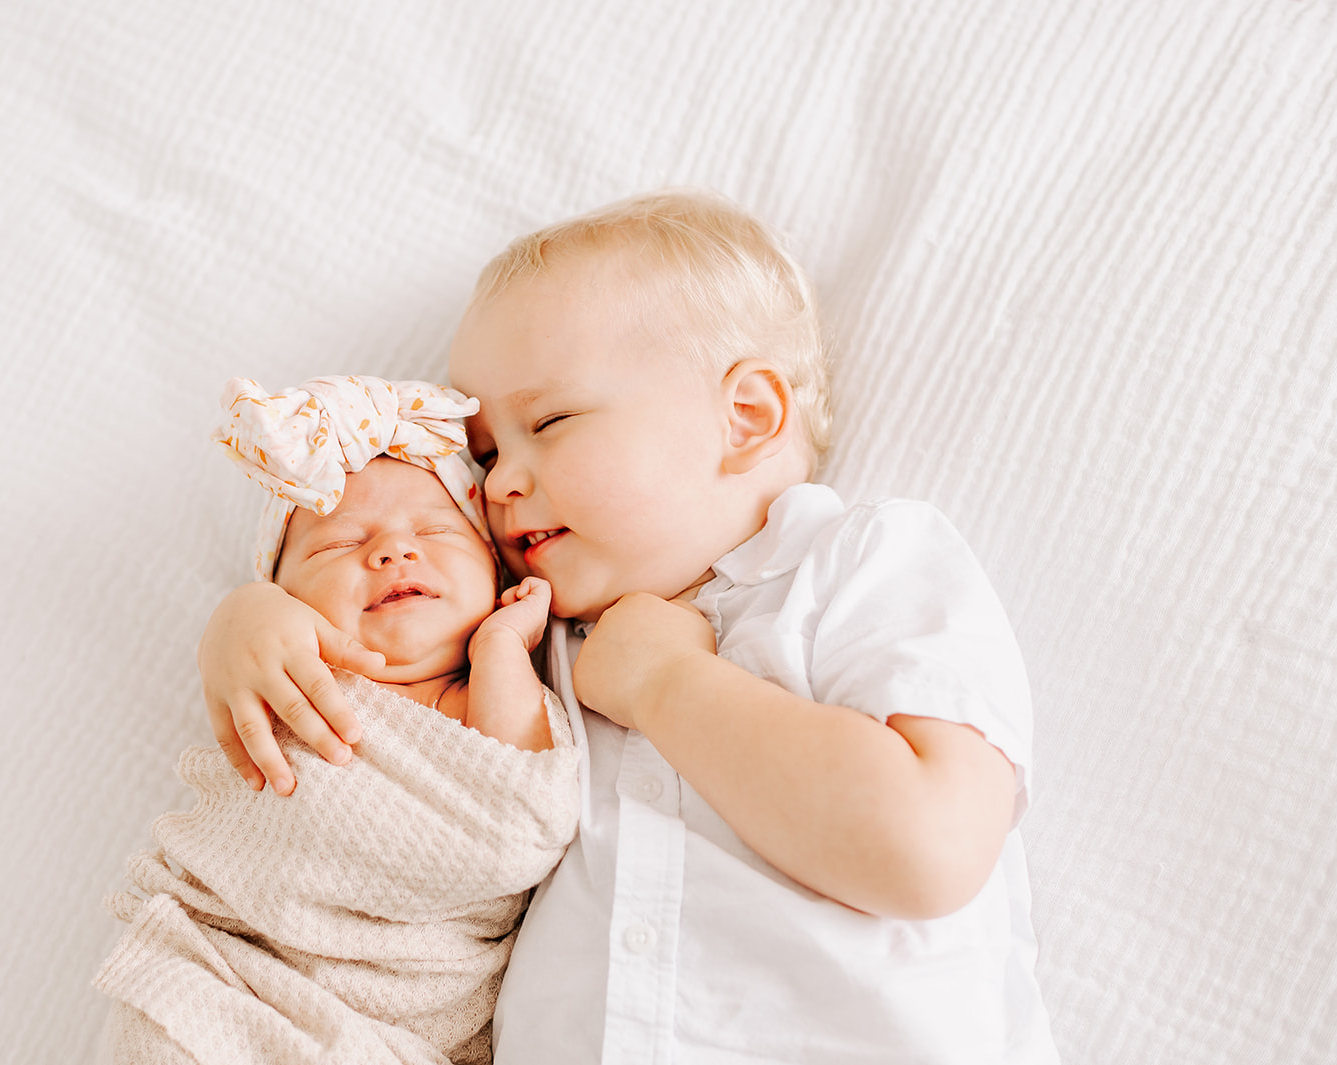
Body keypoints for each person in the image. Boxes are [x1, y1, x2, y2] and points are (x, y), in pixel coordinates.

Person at [196, 191, 1059, 1063]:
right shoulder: (523, 634)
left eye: (550, 422)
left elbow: (928, 848)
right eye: (487, 454)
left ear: (746, 417)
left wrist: (666, 683)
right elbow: (372, 676)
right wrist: (254, 616)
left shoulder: (860, 564)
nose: (493, 486)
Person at [95, 376, 580, 1065]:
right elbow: (251, 651)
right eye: (334, 546)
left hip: (396, 1026)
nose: (390, 552)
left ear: (497, 577)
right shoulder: (294, 674)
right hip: (226, 970)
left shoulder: (487, 696)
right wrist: (239, 618)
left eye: (437, 531)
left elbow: (522, 818)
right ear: (286, 594)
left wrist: (501, 646)